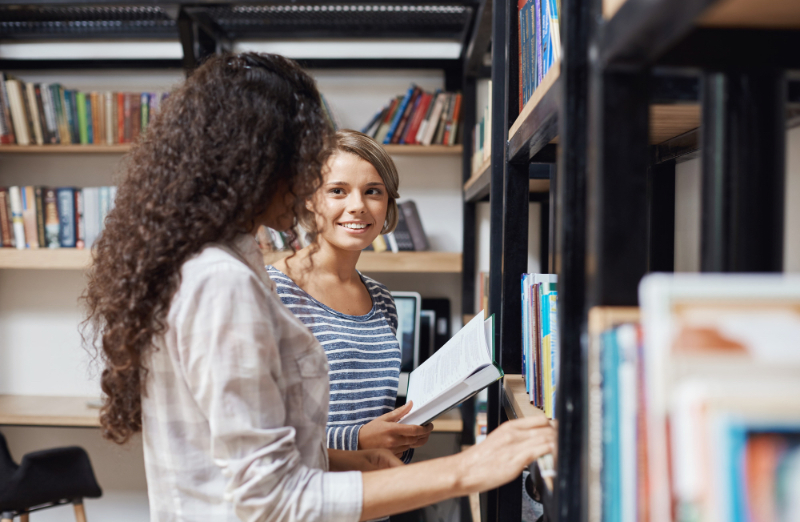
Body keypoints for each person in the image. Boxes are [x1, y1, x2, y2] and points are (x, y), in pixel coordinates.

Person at [82, 52, 555, 521]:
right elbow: (270, 499)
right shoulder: (221, 282)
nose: (311, 178)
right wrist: (466, 469)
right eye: (306, 162)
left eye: (372, 191)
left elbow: (255, 463)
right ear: (257, 161)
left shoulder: (219, 268)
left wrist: (354, 461)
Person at [267, 129, 430, 467]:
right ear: (309, 200)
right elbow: (262, 432)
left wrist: (402, 435)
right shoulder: (272, 290)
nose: (357, 206)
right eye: (337, 191)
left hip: (374, 503)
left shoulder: (382, 299)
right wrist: (358, 440)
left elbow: (376, 421)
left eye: (373, 192)